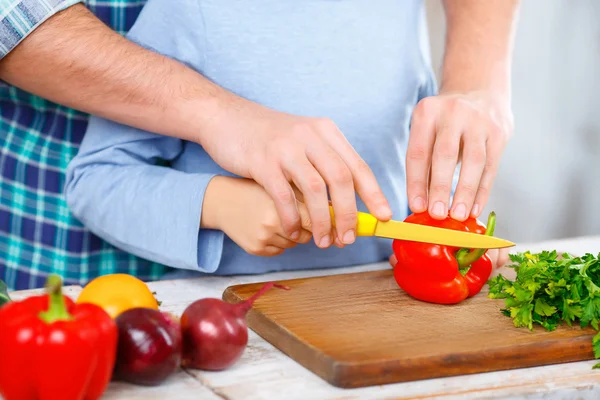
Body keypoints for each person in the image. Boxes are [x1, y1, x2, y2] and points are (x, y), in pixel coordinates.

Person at [0, 1, 517, 290]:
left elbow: (406, 155)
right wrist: (219, 205)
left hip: (378, 309)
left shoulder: (396, 10)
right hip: (247, 334)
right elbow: (97, 181)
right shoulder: (187, 12)